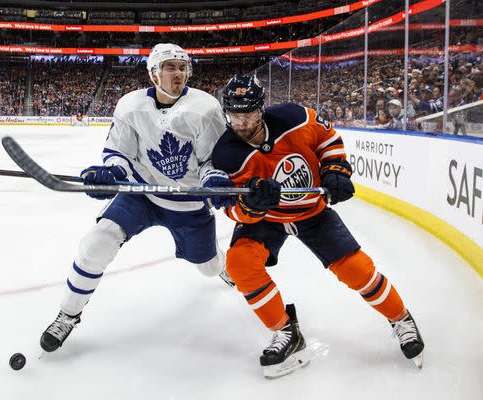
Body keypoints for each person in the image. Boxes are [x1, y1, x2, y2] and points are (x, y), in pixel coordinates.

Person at [211, 75, 424, 379]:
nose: (242, 123)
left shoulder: (294, 117)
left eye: (249, 114)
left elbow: (328, 140)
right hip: (268, 220)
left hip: (311, 212)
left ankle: (401, 319)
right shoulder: (225, 154)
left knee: (357, 270)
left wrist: (335, 169)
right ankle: (285, 331)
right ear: (226, 112)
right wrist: (252, 206)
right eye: (234, 115)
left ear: (261, 108)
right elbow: (231, 207)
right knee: (239, 263)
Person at [40, 43, 235, 353]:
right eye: (171, 67)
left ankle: (220, 262)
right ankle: (68, 314)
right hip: (141, 193)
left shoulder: (206, 108)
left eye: (183, 67)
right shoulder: (130, 105)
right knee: (96, 242)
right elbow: (119, 152)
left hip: (187, 203)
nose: (179, 73)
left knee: (208, 267)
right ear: (153, 73)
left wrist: (213, 178)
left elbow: (214, 160)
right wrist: (112, 174)